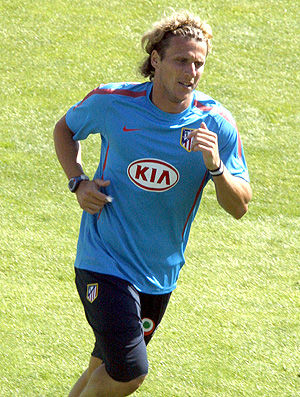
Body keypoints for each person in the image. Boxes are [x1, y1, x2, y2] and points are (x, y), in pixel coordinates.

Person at [53, 10, 252, 397]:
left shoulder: (216, 124)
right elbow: (65, 129)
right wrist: (77, 181)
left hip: (159, 274)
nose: (191, 71)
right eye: (181, 60)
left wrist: (215, 168)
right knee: (129, 372)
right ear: (156, 60)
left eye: (199, 63)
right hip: (103, 260)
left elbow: (240, 205)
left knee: (103, 366)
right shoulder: (113, 102)